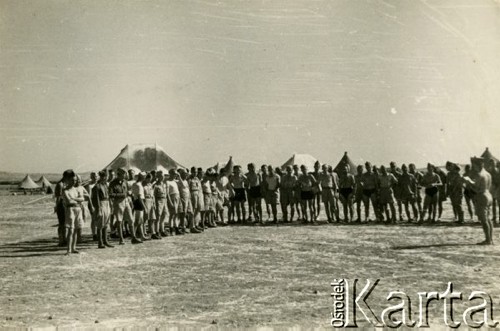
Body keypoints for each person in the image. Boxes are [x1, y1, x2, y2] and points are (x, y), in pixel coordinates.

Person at [463, 157, 493, 245]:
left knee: (484, 220)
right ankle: (490, 239)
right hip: (488, 195)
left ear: (477, 165)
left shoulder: (479, 175)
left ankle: (488, 240)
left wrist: (468, 182)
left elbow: (476, 189)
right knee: (488, 218)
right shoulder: (487, 174)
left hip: (481, 196)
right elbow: (487, 186)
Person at [109, 168, 140, 244]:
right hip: (118, 202)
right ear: (119, 174)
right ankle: (121, 239)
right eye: (124, 174)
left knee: (130, 219)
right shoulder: (113, 183)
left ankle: (133, 237)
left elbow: (128, 191)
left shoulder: (125, 182)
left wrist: (130, 198)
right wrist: (122, 195)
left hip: (126, 201)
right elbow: (111, 194)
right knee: (119, 221)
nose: (125, 175)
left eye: (125, 174)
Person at [63, 173, 85, 255]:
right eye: (72, 180)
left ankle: (73, 248)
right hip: (71, 210)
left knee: (76, 229)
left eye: (75, 180)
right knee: (71, 230)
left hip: (78, 209)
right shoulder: (65, 190)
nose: (74, 182)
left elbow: (82, 198)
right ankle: (68, 249)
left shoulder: (76, 189)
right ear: (68, 180)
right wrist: (77, 199)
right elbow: (69, 201)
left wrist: (75, 199)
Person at [91, 171, 113, 249]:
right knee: (100, 223)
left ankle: (105, 240)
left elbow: (109, 196)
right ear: (102, 177)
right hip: (101, 204)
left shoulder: (106, 185)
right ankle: (100, 242)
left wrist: (110, 205)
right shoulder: (97, 186)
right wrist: (98, 208)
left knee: (106, 223)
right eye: (105, 176)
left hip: (106, 204)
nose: (106, 178)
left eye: (106, 176)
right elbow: (95, 199)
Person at [54, 170, 74, 246]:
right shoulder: (60, 184)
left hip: (66, 205)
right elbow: (58, 198)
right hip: (61, 205)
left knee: (65, 223)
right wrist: (57, 207)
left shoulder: (65, 183)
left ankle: (64, 239)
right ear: (66, 177)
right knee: (61, 223)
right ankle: (61, 240)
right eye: (70, 178)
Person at [74, 174, 93, 243]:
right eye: (77, 179)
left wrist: (83, 196)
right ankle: (74, 238)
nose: (78, 181)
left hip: (81, 206)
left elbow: (88, 195)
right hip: (74, 206)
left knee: (81, 222)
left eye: (79, 179)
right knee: (75, 223)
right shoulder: (72, 188)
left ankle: (79, 237)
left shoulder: (81, 187)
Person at [189, 167, 204, 232]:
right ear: (191, 172)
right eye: (194, 172)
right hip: (192, 194)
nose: (195, 173)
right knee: (193, 210)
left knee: (198, 209)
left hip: (198, 194)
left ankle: (196, 224)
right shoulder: (189, 179)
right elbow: (189, 188)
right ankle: (192, 226)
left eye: (196, 172)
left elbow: (199, 187)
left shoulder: (197, 179)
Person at [154, 171, 168, 237]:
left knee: (164, 215)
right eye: (161, 176)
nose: (162, 177)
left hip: (164, 199)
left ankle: (162, 230)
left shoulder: (164, 184)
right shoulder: (155, 185)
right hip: (158, 200)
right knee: (158, 216)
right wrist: (155, 204)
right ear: (158, 177)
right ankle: (157, 231)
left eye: (163, 176)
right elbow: (154, 195)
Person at [166, 169, 181, 235]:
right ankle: (171, 229)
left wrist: (179, 175)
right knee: (172, 214)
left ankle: (176, 228)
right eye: (174, 174)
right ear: (170, 174)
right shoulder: (167, 182)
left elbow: (181, 181)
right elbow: (167, 193)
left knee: (176, 214)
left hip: (177, 197)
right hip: (172, 197)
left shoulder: (175, 181)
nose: (175, 175)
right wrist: (170, 202)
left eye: (175, 174)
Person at [84, 172, 98, 241]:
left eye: (96, 176)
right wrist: (91, 206)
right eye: (93, 176)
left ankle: (98, 233)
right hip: (92, 203)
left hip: (98, 203)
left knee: (99, 218)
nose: (95, 177)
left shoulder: (98, 184)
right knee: (94, 219)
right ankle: (94, 234)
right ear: (91, 177)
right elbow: (89, 197)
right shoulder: (89, 186)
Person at [143, 173, 157, 238]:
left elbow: (153, 195)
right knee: (145, 218)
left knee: (152, 218)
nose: (149, 180)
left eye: (150, 179)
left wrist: (154, 203)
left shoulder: (150, 185)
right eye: (148, 179)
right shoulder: (143, 185)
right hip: (146, 200)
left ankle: (152, 232)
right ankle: (144, 232)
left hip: (151, 200)